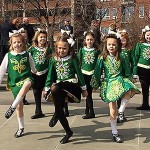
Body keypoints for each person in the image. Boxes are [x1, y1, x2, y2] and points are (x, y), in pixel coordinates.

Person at [91, 34, 140, 143]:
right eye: (109, 44)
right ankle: (115, 133)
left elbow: (127, 70)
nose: (111, 47)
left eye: (114, 44)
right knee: (112, 111)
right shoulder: (102, 57)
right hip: (109, 84)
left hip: (120, 80)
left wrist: (130, 79)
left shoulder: (122, 56)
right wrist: (95, 84)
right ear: (106, 45)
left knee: (129, 89)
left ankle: (121, 111)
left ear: (118, 45)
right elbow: (97, 72)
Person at [44, 34, 88, 144]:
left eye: (64, 48)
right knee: (59, 108)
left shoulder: (73, 59)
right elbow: (50, 75)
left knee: (56, 88)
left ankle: (56, 113)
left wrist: (84, 89)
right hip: (58, 87)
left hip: (71, 85)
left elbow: (79, 74)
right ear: (56, 48)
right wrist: (46, 88)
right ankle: (68, 131)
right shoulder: (53, 60)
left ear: (69, 48)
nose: (62, 50)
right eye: (59, 48)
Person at [0, 32, 36, 137]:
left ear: (23, 43)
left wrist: (36, 71)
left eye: (19, 42)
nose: (17, 44)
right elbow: (2, 71)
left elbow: (33, 68)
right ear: (11, 44)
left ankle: (12, 106)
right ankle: (21, 128)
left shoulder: (27, 54)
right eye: (14, 42)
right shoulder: (8, 56)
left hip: (26, 78)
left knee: (28, 82)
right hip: (15, 83)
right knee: (20, 108)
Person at [29, 29, 52, 119]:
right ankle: (38, 111)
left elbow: (50, 63)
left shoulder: (48, 50)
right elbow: (28, 61)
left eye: (44, 37)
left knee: (49, 92)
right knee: (36, 92)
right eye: (41, 37)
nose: (43, 39)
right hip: (35, 74)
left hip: (45, 73)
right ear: (37, 38)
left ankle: (61, 109)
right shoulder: (32, 49)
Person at [78, 31, 101, 119]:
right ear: (85, 40)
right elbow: (79, 62)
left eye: (91, 39)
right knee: (87, 93)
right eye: (88, 39)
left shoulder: (96, 51)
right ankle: (87, 110)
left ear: (94, 40)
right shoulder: (82, 50)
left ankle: (91, 112)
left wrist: (98, 75)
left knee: (88, 94)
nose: (89, 41)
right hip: (84, 74)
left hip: (92, 74)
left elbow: (99, 63)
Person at [117, 30, 136, 122]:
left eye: (123, 40)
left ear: (127, 41)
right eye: (120, 40)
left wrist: (134, 74)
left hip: (127, 75)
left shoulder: (129, 50)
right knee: (118, 95)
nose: (122, 42)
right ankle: (120, 114)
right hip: (117, 75)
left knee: (127, 93)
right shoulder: (116, 50)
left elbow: (134, 62)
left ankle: (121, 111)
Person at [135, 25, 150, 110]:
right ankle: (145, 104)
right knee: (144, 88)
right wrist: (135, 72)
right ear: (144, 35)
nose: (149, 37)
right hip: (142, 69)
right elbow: (136, 57)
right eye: (147, 35)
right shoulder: (140, 44)